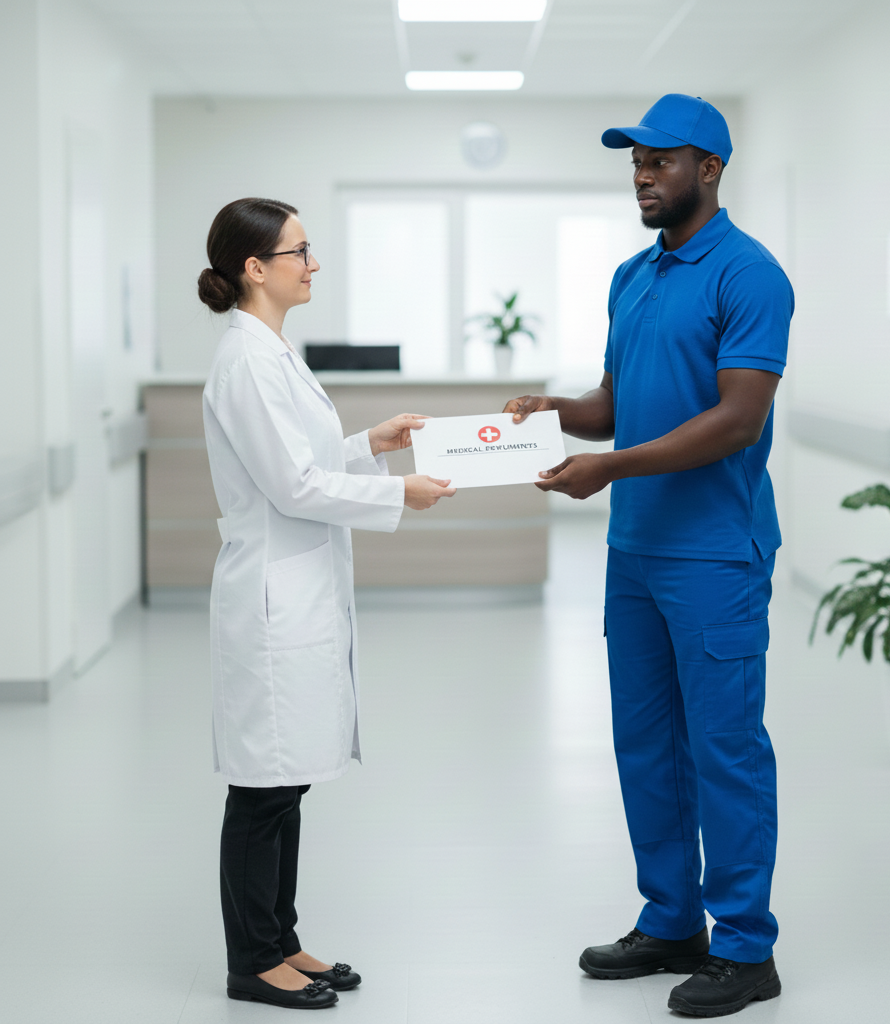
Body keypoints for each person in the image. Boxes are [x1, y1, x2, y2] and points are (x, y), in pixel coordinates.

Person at [503, 95, 793, 1018]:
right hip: (635, 550)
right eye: (634, 162)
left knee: (725, 750)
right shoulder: (635, 275)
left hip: (713, 554)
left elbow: (737, 417)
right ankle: (672, 921)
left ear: (708, 169)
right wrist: (545, 411)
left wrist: (609, 468)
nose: (642, 176)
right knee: (645, 746)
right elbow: (616, 401)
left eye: (660, 162)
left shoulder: (750, 275)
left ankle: (746, 949)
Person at [197, 197, 456, 1010]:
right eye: (301, 251)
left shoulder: (270, 350)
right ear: (255, 268)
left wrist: (369, 446)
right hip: (273, 598)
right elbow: (292, 485)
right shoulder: (243, 360)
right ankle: (252, 962)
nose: (313, 265)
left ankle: (283, 939)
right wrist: (398, 495)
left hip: (298, 590)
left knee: (290, 781)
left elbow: (301, 461)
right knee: (263, 787)